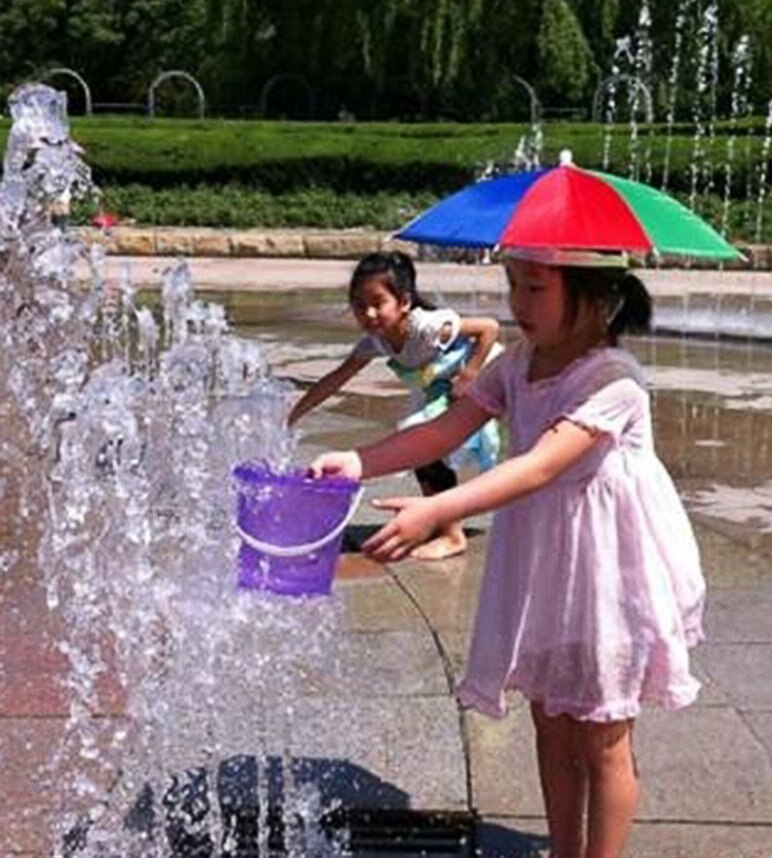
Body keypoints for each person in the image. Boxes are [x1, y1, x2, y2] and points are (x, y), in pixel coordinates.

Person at [310, 248, 705, 858]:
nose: (518, 304)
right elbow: (444, 429)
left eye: (536, 288)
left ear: (596, 300)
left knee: (601, 734)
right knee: (551, 722)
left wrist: (441, 510)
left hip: (608, 572)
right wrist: (361, 463)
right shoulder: (518, 364)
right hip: (546, 563)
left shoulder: (613, 379)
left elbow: (540, 464)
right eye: (514, 284)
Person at [288, 250, 501, 560]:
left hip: (484, 376)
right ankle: (443, 524)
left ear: (403, 302)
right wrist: (293, 413)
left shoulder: (427, 326)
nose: (369, 314)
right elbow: (336, 378)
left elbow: (489, 328)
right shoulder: (376, 341)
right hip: (440, 389)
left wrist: (469, 374)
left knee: (424, 442)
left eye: (377, 303)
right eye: (360, 306)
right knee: (426, 450)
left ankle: (452, 534)